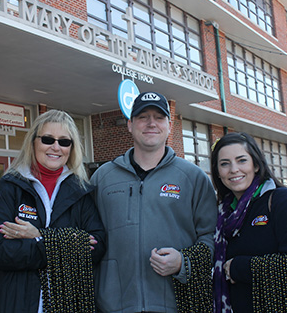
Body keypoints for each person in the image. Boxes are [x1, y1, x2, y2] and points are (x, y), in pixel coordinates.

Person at [91, 92, 217, 312]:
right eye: (143, 117)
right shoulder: (102, 178)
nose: (151, 123)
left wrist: (183, 262)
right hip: (114, 305)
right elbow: (88, 235)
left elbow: (212, 237)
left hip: (176, 304)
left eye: (159, 117)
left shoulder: (193, 177)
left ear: (169, 126)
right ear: (130, 125)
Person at [0, 109, 106, 312]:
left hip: (68, 303)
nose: (56, 147)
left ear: (71, 148)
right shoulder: (9, 187)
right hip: (14, 302)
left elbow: (96, 248)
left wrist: (40, 236)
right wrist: (64, 247)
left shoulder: (82, 191)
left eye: (64, 141)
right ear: (33, 142)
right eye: (48, 139)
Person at [211, 132, 287, 312]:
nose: (233, 169)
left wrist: (240, 267)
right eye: (224, 164)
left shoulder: (282, 201)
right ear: (217, 171)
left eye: (241, 160)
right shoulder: (223, 213)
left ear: (256, 164)